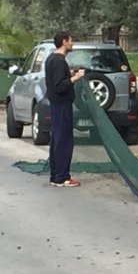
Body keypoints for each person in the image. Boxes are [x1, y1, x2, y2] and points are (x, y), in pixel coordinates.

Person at [45, 31, 85, 187]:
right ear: (64, 41)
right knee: (63, 140)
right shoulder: (58, 61)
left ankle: (56, 175)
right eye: (71, 40)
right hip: (61, 105)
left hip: (57, 105)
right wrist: (76, 77)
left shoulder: (52, 59)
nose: (72, 43)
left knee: (57, 139)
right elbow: (60, 85)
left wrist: (70, 76)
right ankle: (62, 177)